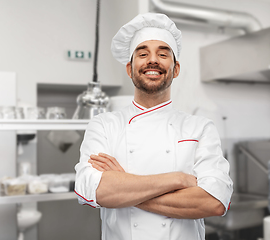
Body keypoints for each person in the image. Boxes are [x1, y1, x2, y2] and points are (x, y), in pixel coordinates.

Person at [74, 12, 233, 240]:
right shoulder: (104, 125)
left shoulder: (200, 128)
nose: (153, 60)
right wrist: (178, 179)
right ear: (130, 69)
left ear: (175, 69)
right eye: (143, 53)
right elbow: (92, 190)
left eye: (162, 53)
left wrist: (124, 187)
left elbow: (214, 202)